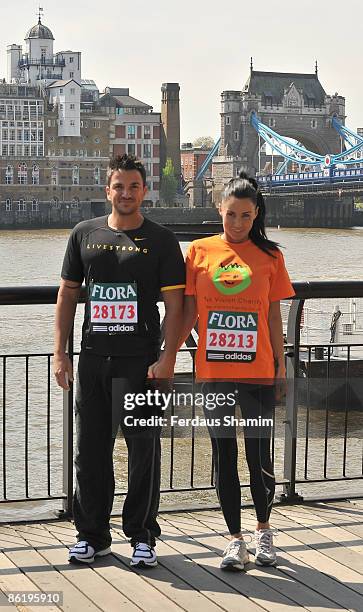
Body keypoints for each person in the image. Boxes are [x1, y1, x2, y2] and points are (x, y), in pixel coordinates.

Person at [53, 154, 185, 567]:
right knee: (90, 452)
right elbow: (68, 295)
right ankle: (92, 535)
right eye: (118, 186)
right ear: (106, 190)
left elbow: (176, 307)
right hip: (93, 360)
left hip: (141, 363)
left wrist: (167, 358)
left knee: (143, 451)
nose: (125, 193)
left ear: (144, 191)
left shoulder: (162, 240)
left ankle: (142, 535)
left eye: (133, 186)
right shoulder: (83, 234)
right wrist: (61, 352)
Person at [179, 171, 295, 570]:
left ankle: (264, 531)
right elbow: (189, 311)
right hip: (213, 372)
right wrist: (166, 355)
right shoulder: (197, 252)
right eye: (231, 215)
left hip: (259, 371)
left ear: (256, 214)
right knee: (223, 454)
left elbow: (275, 317)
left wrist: (280, 368)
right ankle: (234, 539)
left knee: (258, 453)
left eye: (246, 216)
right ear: (219, 210)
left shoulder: (271, 256)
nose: (238, 223)